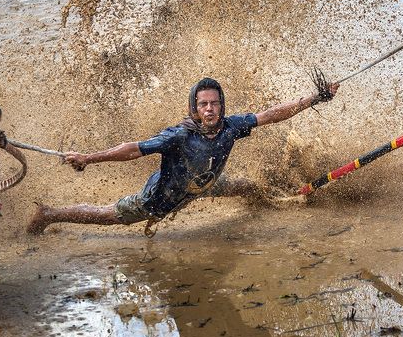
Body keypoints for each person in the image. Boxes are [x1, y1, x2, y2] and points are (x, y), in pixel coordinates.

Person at [27, 76, 339, 235]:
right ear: (194, 109)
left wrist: (315, 98)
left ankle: (272, 202)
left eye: (214, 103)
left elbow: (271, 114)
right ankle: (49, 214)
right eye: (203, 104)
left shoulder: (232, 126)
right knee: (107, 216)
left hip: (204, 184)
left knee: (246, 187)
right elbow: (134, 148)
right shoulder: (179, 135)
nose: (209, 109)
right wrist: (89, 158)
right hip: (159, 199)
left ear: (222, 106)